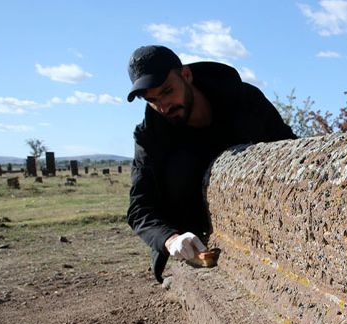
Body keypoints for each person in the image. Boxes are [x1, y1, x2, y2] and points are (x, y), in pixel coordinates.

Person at [125, 45, 295, 282]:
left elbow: (289, 151)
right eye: (152, 100)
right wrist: (171, 239)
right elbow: (139, 208)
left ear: (186, 75)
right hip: (195, 246)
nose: (163, 107)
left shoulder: (245, 101)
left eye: (167, 91)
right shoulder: (150, 136)